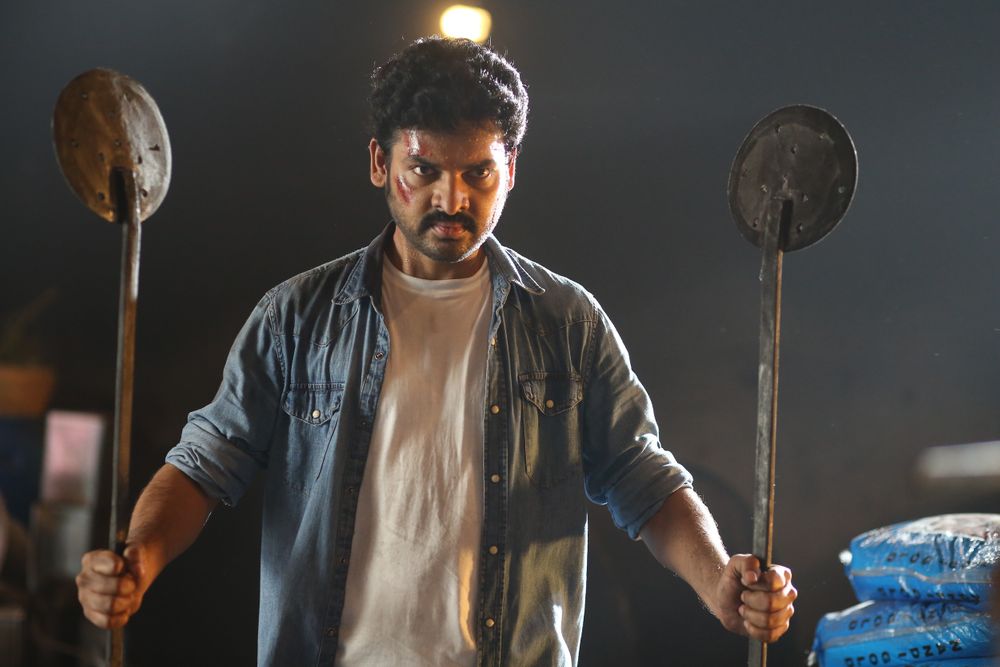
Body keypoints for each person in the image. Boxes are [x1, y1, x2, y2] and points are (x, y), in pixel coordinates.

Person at [75, 37, 796, 666]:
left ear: (511, 169)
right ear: (379, 162)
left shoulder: (567, 323)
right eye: (424, 170)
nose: (452, 198)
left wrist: (719, 582)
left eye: (478, 172)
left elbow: (646, 480)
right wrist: (137, 562)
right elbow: (204, 465)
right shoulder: (297, 318)